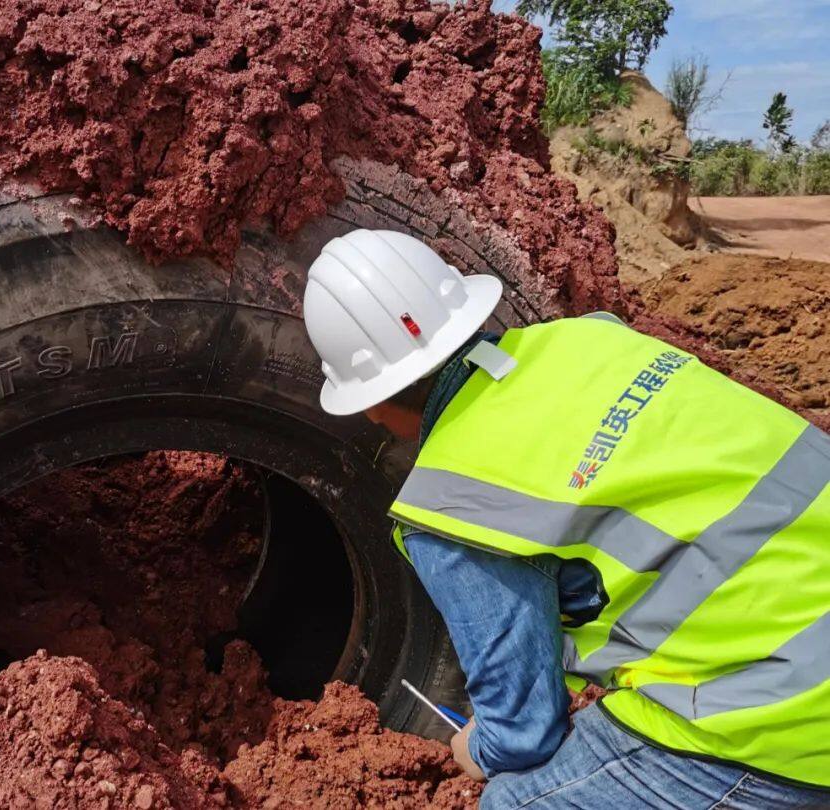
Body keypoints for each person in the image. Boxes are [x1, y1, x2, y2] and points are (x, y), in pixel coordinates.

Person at [302, 229, 830, 809]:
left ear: (371, 405)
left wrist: (474, 749)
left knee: (510, 802)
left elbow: (523, 735)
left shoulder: (451, 502)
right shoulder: (593, 337)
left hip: (793, 712)